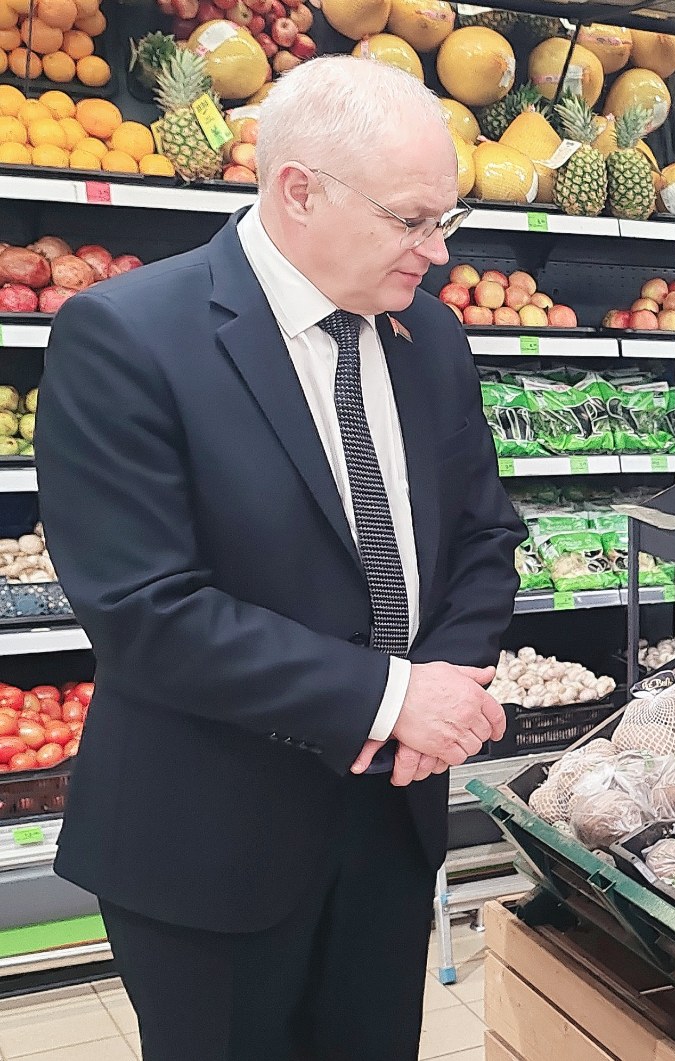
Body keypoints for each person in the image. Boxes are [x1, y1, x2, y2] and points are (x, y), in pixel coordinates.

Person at [36, 56, 525, 1061]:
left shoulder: (428, 337)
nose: (435, 252)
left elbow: (485, 534)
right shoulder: (128, 335)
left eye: (447, 221)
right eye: (410, 220)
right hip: (211, 838)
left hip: (391, 821)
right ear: (299, 189)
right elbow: (145, 607)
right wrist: (394, 697)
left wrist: (442, 687)